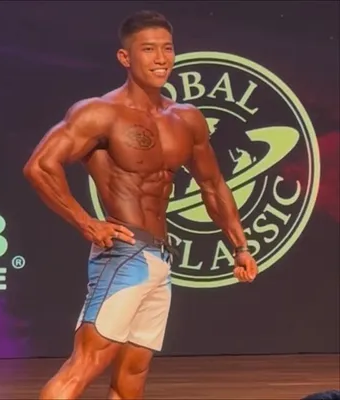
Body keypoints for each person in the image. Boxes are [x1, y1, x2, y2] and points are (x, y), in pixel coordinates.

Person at [23, 10, 258, 400]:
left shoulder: (186, 119)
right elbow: (40, 166)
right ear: (125, 57)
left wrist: (240, 246)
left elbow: (213, 185)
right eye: (148, 49)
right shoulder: (100, 112)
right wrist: (86, 222)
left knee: (133, 373)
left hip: (160, 258)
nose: (161, 58)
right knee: (84, 365)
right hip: (123, 256)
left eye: (167, 48)